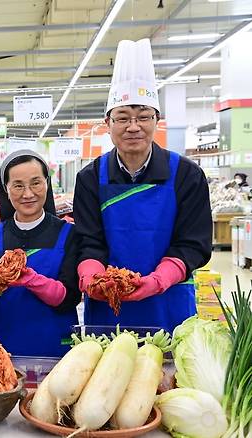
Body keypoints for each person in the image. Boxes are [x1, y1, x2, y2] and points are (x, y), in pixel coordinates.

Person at [73, 39, 212, 333]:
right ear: (107, 123)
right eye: (122, 117)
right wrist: (90, 276)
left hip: (170, 303)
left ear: (157, 120)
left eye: (143, 117)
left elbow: (194, 244)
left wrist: (159, 279)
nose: (133, 126)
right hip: (109, 305)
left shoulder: (187, 174)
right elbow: (89, 242)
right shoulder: (90, 178)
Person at [0, 150, 79, 357]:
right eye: (18, 185)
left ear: (47, 184)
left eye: (36, 183)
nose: (28, 194)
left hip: (58, 349)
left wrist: (31, 279)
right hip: (3, 348)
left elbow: (71, 296)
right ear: (6, 189)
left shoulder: (69, 233)